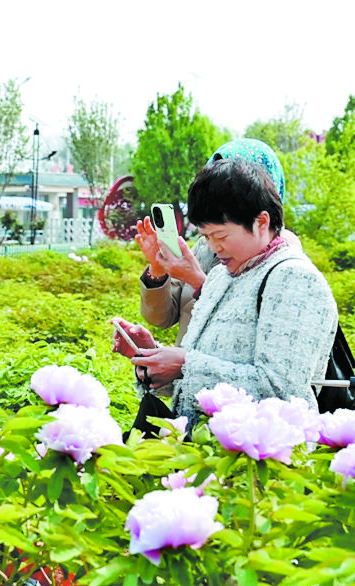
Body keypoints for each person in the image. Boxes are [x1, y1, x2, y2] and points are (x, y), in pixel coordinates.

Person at [123, 158, 337, 428]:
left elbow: (282, 391)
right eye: (207, 237)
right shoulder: (221, 276)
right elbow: (199, 376)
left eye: (221, 237)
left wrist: (185, 364)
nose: (214, 248)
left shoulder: (295, 280)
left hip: (257, 462)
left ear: (261, 222)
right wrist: (154, 356)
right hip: (204, 457)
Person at [114, 139, 298, 396]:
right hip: (195, 400)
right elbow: (164, 318)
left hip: (240, 417)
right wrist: (157, 269)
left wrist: (198, 280)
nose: (216, 247)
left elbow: (271, 379)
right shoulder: (205, 246)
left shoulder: (286, 267)